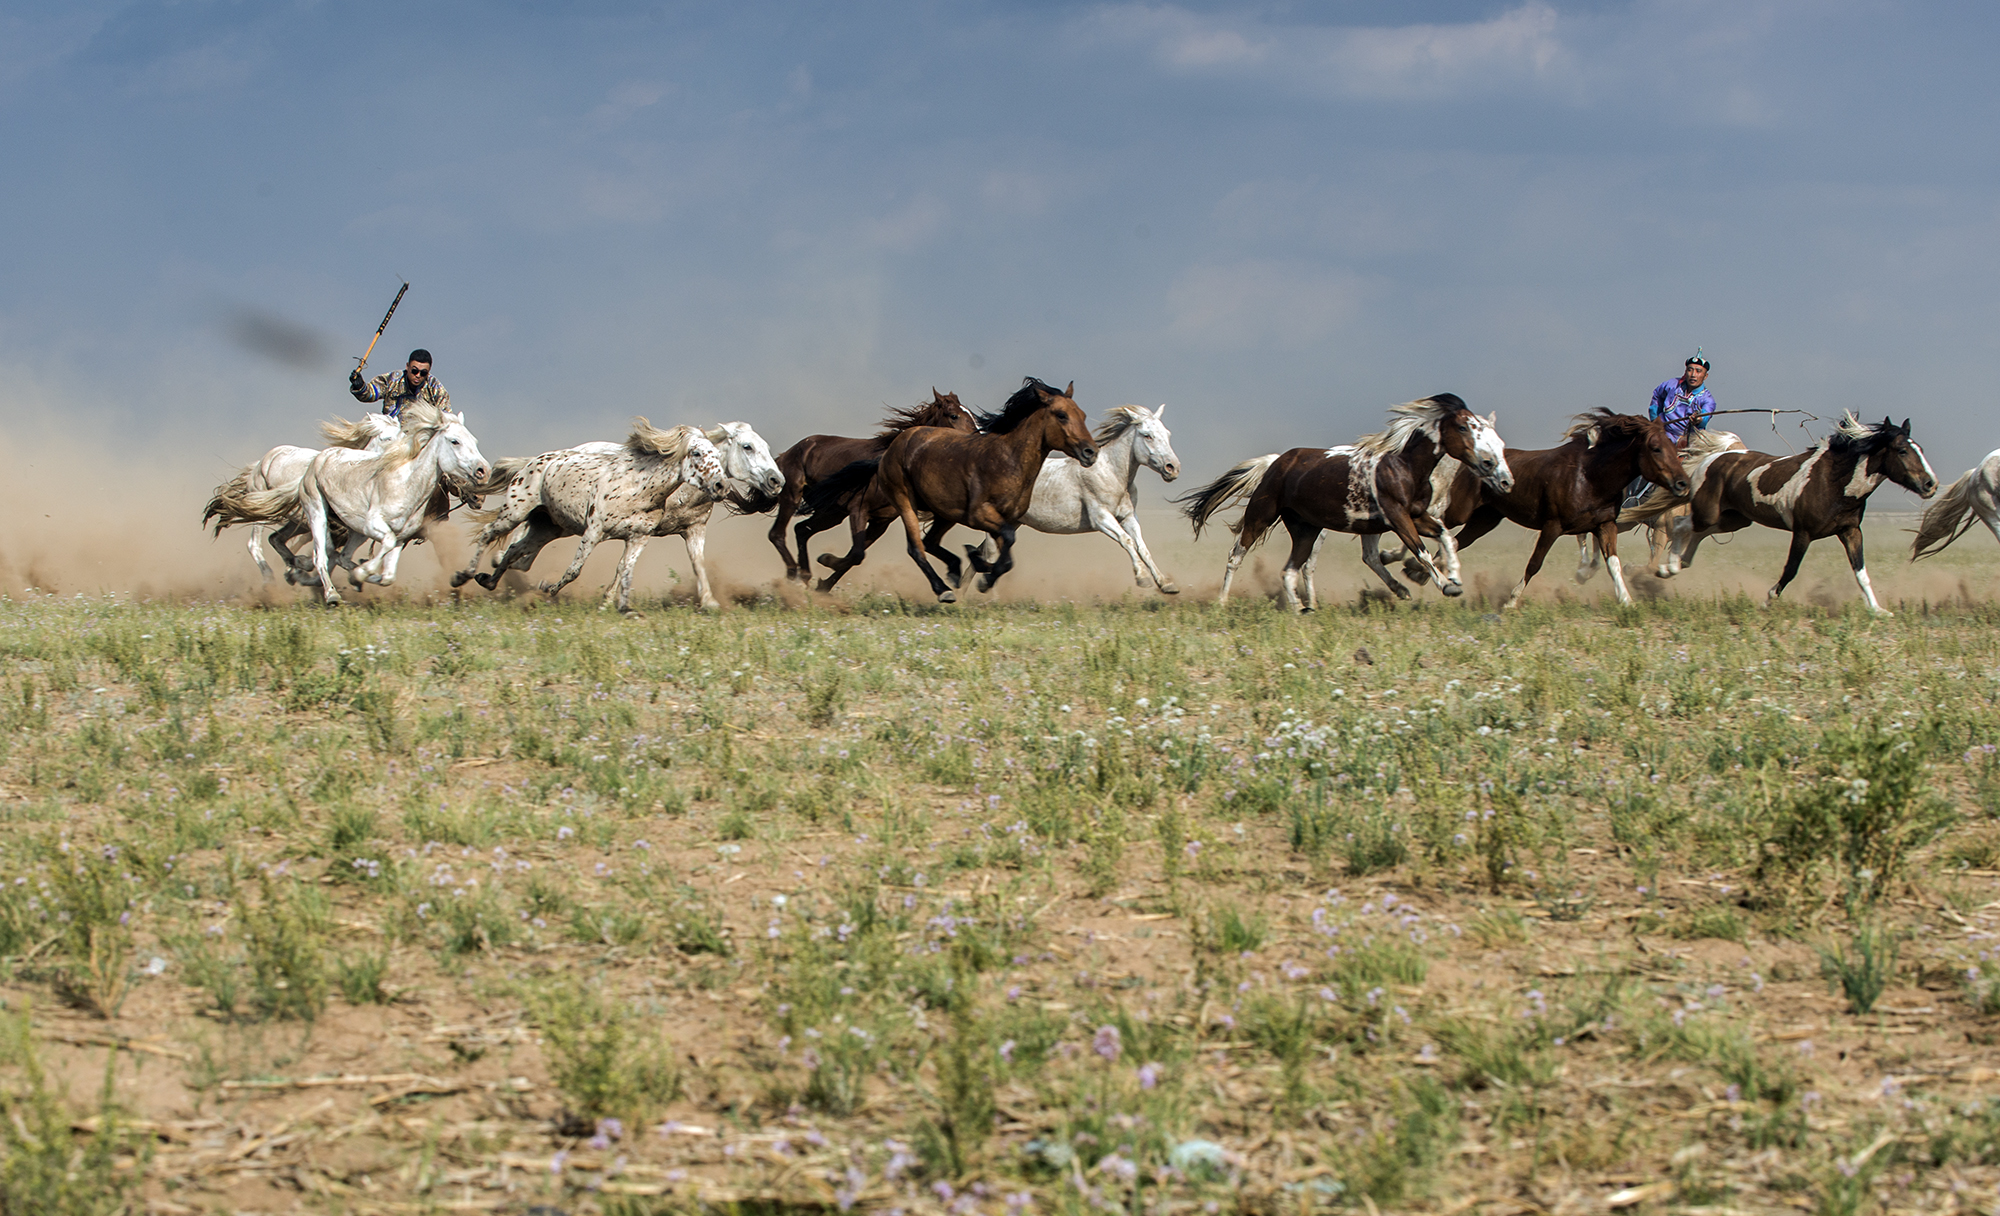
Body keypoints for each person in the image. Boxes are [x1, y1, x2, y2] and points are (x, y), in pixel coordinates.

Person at [349, 349, 449, 420]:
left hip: (419, 439)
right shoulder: (392, 379)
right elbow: (371, 393)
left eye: (423, 373)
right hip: (391, 434)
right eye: (414, 371)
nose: (418, 375)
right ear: (407, 366)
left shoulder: (435, 388)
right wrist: (360, 386)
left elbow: (446, 417)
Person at [1649, 349, 1714, 445]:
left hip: (1687, 441)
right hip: (1662, 434)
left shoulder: (1707, 399)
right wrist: (1655, 418)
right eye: (1690, 370)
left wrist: (1699, 419)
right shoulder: (1672, 384)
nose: (1693, 375)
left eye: (1698, 371)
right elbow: (1657, 395)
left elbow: (1706, 414)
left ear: (1705, 376)